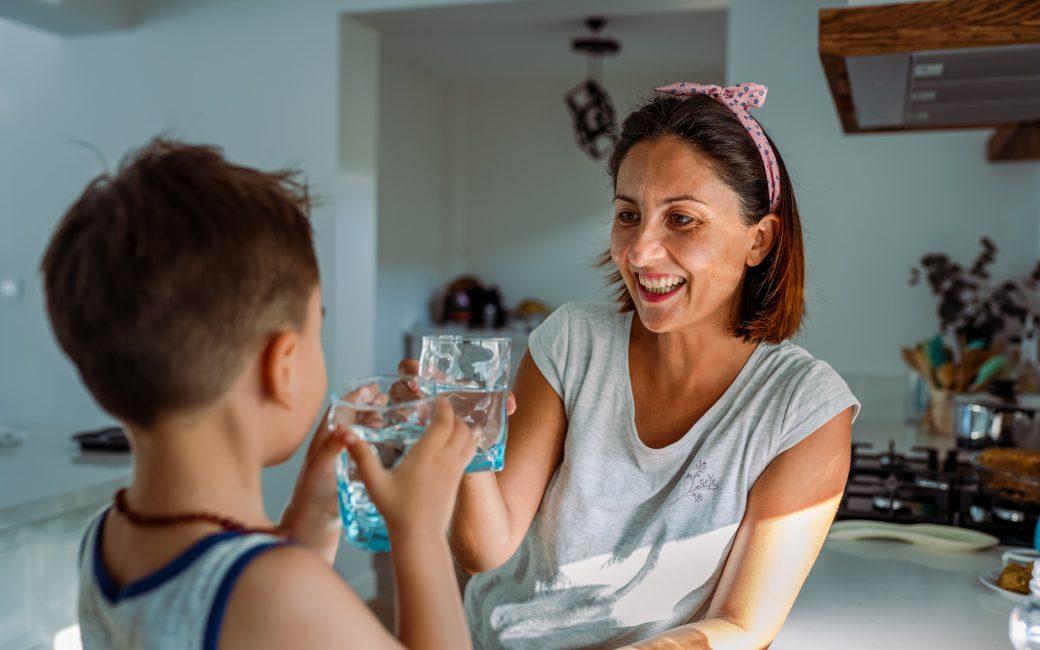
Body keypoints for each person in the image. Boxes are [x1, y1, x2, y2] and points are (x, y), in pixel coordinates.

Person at [441, 82, 861, 649]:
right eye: (628, 214)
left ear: (759, 239)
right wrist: (466, 444)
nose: (640, 252)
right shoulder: (572, 341)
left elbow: (743, 625)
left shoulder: (803, 408)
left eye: (682, 219)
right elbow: (484, 551)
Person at [41, 139, 477, 649]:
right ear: (282, 365)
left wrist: (312, 515)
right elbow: (272, 604)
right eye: (319, 326)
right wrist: (420, 534)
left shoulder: (108, 536)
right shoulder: (279, 589)